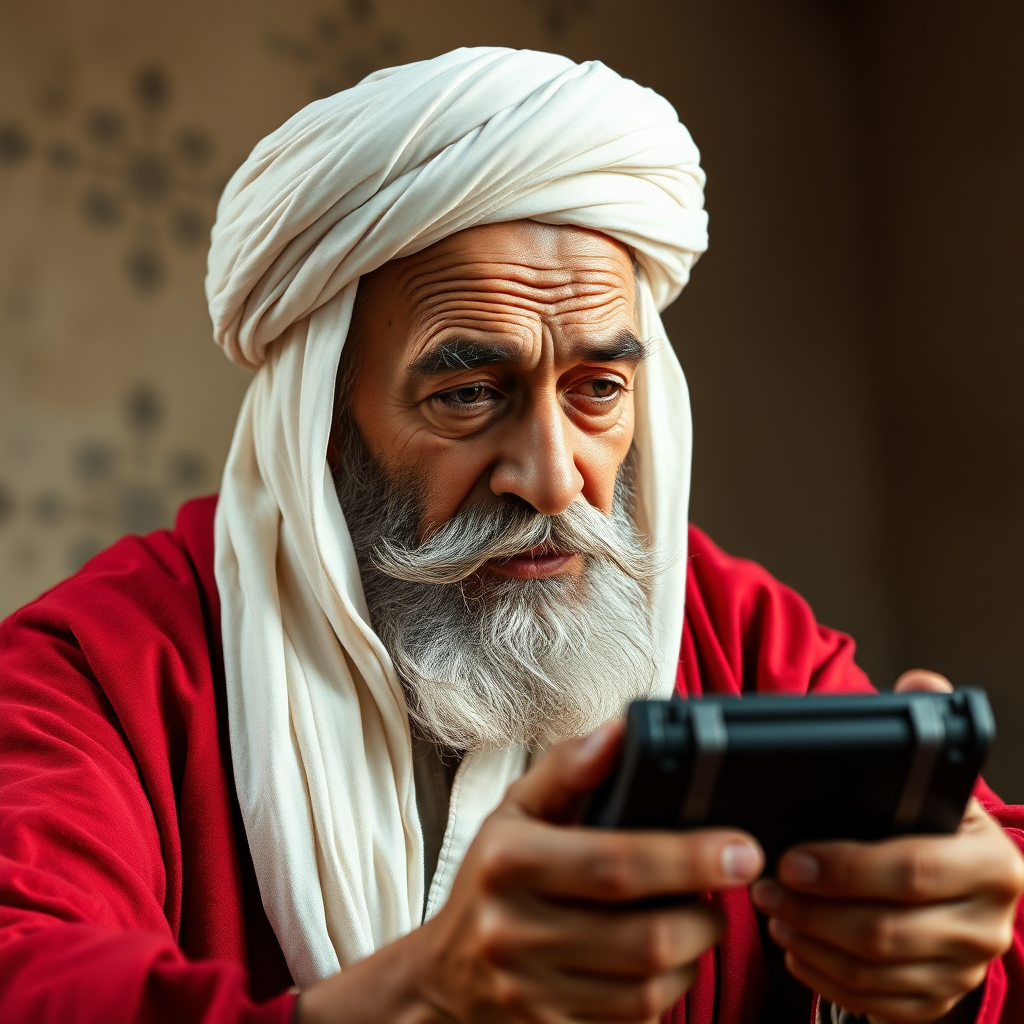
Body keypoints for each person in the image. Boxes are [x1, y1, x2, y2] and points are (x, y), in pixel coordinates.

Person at [0, 47, 1022, 1024]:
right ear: (319, 428)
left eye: (598, 390)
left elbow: (993, 906)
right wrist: (423, 997)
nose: (552, 473)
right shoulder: (104, 670)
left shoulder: (734, 636)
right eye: (468, 393)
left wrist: (950, 953)